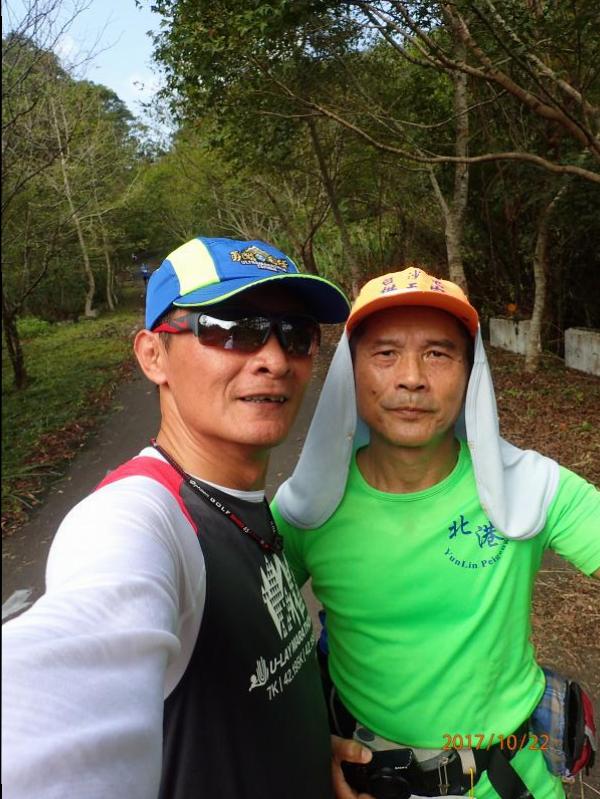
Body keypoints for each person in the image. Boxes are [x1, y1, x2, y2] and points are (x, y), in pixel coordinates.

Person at [1, 236, 371, 799]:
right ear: (153, 355)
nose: (275, 360)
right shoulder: (135, 521)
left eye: (296, 335)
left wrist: (301, 749)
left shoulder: (241, 501)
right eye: (232, 329)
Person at [272, 267, 600, 799]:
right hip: (368, 783)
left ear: (471, 372)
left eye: (438, 353)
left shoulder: (528, 490)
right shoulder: (309, 507)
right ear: (350, 370)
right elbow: (248, 649)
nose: (411, 378)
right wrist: (304, 743)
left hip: (513, 780)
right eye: (385, 353)